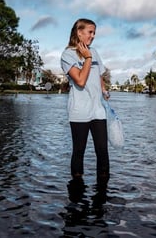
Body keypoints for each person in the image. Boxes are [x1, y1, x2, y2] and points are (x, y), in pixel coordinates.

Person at [61, 18, 110, 185]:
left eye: (94, 32)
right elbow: (80, 81)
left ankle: (102, 191)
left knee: (102, 151)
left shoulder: (94, 52)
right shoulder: (67, 55)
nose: (93, 36)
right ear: (79, 32)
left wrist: (104, 90)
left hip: (98, 110)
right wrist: (87, 58)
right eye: (90, 32)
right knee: (79, 151)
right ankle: (77, 189)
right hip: (79, 111)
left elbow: (99, 75)